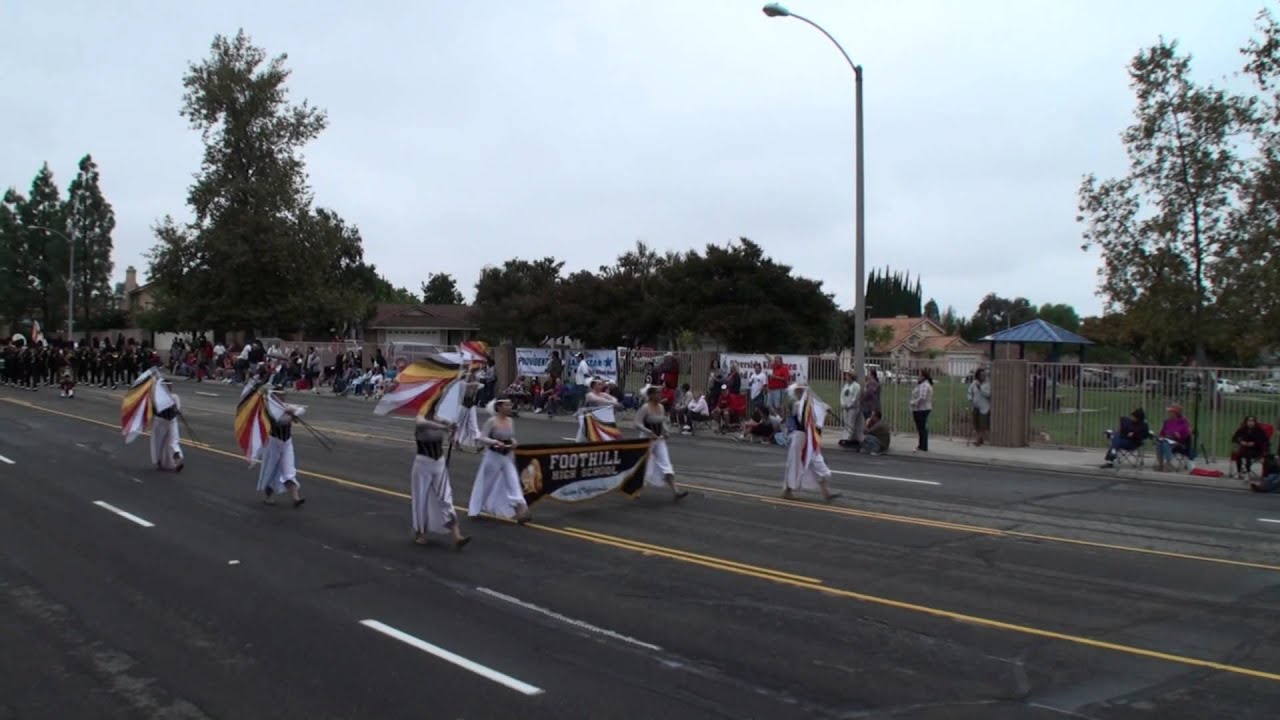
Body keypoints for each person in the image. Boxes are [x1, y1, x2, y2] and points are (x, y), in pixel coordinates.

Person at [411, 407, 470, 549]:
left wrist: (452, 433)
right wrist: (445, 427)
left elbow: (451, 438)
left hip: (439, 463)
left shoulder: (440, 419)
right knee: (421, 498)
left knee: (446, 497)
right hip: (423, 463)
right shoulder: (421, 418)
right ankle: (420, 533)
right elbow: (421, 424)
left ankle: (457, 535)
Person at [468, 398, 532, 523]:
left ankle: (521, 509)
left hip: (507, 456)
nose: (509, 407)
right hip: (493, 456)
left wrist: (513, 442)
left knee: (513, 481)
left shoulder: (510, 421)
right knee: (486, 484)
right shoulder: (492, 421)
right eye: (507, 405)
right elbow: (482, 438)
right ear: (499, 407)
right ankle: (475, 509)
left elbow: (511, 437)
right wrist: (495, 442)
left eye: (510, 404)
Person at [782, 382, 840, 502]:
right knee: (794, 465)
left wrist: (824, 410)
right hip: (799, 438)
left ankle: (826, 492)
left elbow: (817, 420)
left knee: (818, 464)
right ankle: (788, 490)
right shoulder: (798, 405)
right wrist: (822, 409)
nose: (805, 393)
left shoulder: (808, 404)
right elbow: (806, 415)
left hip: (809, 440)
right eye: (801, 391)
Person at [635, 386, 689, 501]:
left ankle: (676, 491)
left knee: (666, 464)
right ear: (651, 395)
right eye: (658, 394)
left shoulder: (661, 407)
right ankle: (637, 489)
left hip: (659, 440)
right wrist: (649, 432)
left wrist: (666, 431)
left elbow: (662, 422)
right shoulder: (645, 408)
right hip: (646, 440)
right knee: (644, 465)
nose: (660, 396)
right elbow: (637, 423)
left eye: (660, 393)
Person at [257, 389, 306, 507]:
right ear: (273, 397)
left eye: (284, 395)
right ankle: (268, 496)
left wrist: (295, 412)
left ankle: (296, 498)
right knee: (271, 472)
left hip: (287, 443)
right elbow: (281, 421)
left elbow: (302, 409)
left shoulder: (285, 407)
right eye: (280, 395)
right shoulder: (269, 410)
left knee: (289, 470)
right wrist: (292, 415)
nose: (283, 397)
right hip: (273, 443)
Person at [575, 378, 623, 442]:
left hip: (599, 419)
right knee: (585, 436)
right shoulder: (590, 395)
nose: (602, 386)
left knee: (600, 436)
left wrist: (614, 402)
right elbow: (600, 400)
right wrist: (614, 403)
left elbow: (614, 399)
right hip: (589, 418)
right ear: (594, 386)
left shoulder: (603, 394)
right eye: (599, 384)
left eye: (601, 384)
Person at [151, 380, 185, 472]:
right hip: (160, 421)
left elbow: (177, 409)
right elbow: (154, 410)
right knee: (159, 442)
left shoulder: (174, 397)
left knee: (174, 440)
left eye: (171, 386)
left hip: (172, 421)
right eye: (168, 386)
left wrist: (173, 408)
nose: (170, 388)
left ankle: (177, 459)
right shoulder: (157, 397)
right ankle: (160, 460)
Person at [1154, 403, 1192, 472]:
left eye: (1171, 412)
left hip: (1180, 442)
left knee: (1165, 443)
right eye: (1170, 412)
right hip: (1168, 440)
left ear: (1176, 413)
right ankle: (1161, 464)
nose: (1170, 413)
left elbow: (1187, 434)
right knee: (1159, 443)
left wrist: (1179, 435)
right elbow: (1162, 433)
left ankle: (1168, 464)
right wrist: (1160, 436)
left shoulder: (1183, 422)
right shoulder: (1167, 421)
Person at [910, 370, 934, 452]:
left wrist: (914, 403)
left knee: (922, 427)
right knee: (921, 427)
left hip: (921, 409)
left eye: (919, 375)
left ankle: (923, 446)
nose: (918, 377)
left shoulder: (924, 385)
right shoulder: (923, 384)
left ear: (923, 377)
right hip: (922, 408)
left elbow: (922, 397)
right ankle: (921, 445)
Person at [967, 368, 992, 446]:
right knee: (976, 424)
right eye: (981, 375)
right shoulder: (974, 383)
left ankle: (978, 439)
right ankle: (980, 439)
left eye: (984, 375)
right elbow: (969, 392)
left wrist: (980, 389)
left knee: (982, 425)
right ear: (978, 375)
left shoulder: (987, 384)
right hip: (975, 406)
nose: (983, 376)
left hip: (984, 407)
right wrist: (970, 399)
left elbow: (988, 395)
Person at [838, 370, 862, 448]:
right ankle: (844, 437)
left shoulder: (856, 386)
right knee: (845, 423)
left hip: (852, 408)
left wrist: (849, 405)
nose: (846, 378)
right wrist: (843, 404)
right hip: (845, 407)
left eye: (847, 376)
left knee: (850, 423)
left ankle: (849, 438)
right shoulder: (846, 385)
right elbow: (842, 395)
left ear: (851, 377)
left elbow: (855, 398)